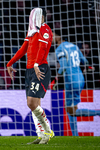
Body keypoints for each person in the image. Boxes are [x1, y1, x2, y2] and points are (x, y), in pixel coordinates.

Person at [7, 8, 54, 144]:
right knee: (35, 105)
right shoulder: (32, 32)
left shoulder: (45, 29)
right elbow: (23, 49)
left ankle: (48, 131)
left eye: (35, 16)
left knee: (31, 103)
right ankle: (41, 135)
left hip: (40, 68)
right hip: (30, 70)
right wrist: (10, 63)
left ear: (42, 17)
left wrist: (36, 64)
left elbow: (43, 48)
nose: (33, 18)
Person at [50, 33, 100, 136]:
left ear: (60, 36)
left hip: (71, 80)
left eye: (53, 35)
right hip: (80, 79)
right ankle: (75, 135)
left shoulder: (60, 49)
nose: (52, 37)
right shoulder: (74, 46)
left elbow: (63, 67)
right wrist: (88, 68)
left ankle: (98, 112)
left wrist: (55, 80)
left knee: (70, 110)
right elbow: (85, 62)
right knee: (73, 108)